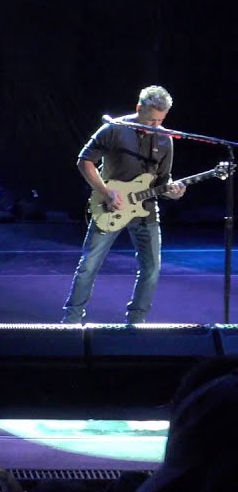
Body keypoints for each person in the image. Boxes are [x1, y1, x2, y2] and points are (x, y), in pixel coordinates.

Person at [62, 85, 185, 324]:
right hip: (110, 206)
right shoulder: (114, 128)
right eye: (150, 120)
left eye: (159, 121)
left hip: (145, 211)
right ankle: (72, 320)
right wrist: (106, 192)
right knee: (89, 264)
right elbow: (84, 161)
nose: (154, 126)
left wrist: (174, 193)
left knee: (151, 269)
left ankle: (136, 322)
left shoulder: (165, 139)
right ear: (139, 108)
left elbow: (163, 181)